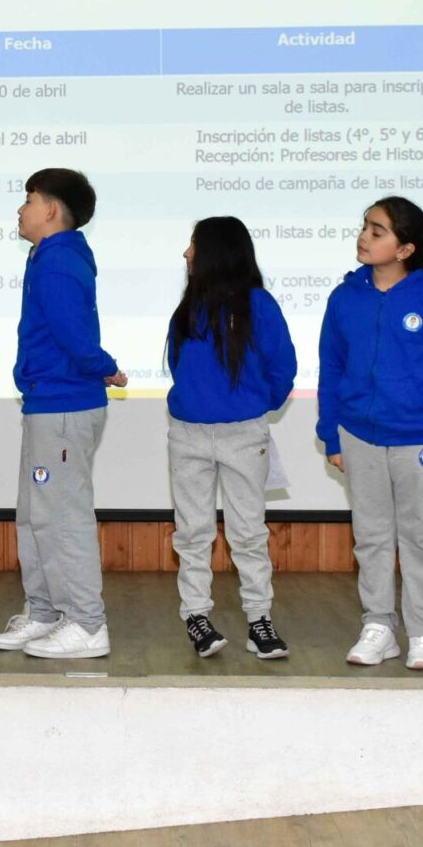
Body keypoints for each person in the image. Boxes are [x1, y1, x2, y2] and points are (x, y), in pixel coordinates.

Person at [317, 196, 423, 671]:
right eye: (365, 226)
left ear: (405, 249)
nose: (364, 236)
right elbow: (331, 368)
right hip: (359, 437)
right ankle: (379, 627)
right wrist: (331, 434)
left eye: (377, 230)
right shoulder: (345, 298)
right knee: (371, 538)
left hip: (422, 440)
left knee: (422, 539)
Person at [0, 167, 125, 662]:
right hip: (48, 404)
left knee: (63, 518)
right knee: (35, 515)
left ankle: (87, 623)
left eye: (28, 200)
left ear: (50, 209)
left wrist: (106, 368)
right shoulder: (48, 256)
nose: (20, 210)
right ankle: (46, 612)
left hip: (65, 406)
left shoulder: (59, 261)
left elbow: (74, 336)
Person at [165, 216, 297, 661]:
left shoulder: (259, 305)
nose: (186, 253)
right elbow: (179, 368)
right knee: (192, 532)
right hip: (188, 436)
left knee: (248, 533)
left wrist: (254, 405)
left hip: (245, 435)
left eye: (193, 245)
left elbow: (282, 367)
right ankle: (196, 616)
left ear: (216, 252)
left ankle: (259, 620)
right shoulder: (188, 309)